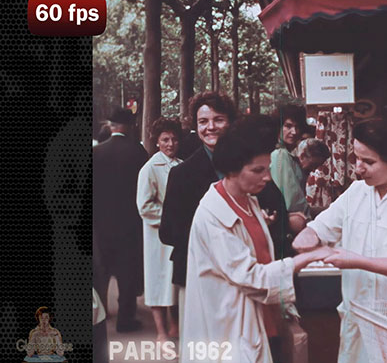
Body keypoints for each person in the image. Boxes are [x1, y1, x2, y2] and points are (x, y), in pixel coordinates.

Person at [292, 119, 387, 363]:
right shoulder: (357, 193)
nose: (358, 168)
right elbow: (318, 228)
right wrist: (308, 239)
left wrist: (356, 260)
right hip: (363, 323)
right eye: (356, 158)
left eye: (369, 162)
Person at [182, 115, 333, 363]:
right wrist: (307, 258)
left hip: (261, 318)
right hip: (230, 324)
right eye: (257, 170)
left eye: (268, 169)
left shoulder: (250, 200)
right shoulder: (213, 215)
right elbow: (251, 277)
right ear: (232, 169)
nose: (266, 177)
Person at [159, 92, 293, 339]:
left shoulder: (255, 165)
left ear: (231, 123)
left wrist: (265, 221)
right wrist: (219, 236)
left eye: (218, 119)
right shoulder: (181, 173)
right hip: (201, 276)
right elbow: (168, 231)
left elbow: (277, 211)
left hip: (255, 278)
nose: (210, 127)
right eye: (203, 121)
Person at [93, 107, 148, 332]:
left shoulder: (97, 153)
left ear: (112, 125)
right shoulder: (138, 152)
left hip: (100, 222)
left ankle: (100, 313)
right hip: (129, 222)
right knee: (127, 270)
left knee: (100, 270)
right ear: (130, 125)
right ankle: (126, 319)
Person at [136, 117, 183, 344]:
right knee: (157, 280)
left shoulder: (181, 165)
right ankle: (161, 332)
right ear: (157, 142)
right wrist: (169, 217)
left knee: (173, 282)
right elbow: (144, 206)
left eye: (174, 139)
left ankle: (175, 325)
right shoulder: (149, 168)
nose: (170, 143)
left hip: (176, 234)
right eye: (165, 139)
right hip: (156, 235)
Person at [270, 104, 310, 218]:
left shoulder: (286, 153)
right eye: (288, 126)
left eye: (297, 127)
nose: (294, 132)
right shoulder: (280, 155)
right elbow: (292, 201)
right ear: (278, 126)